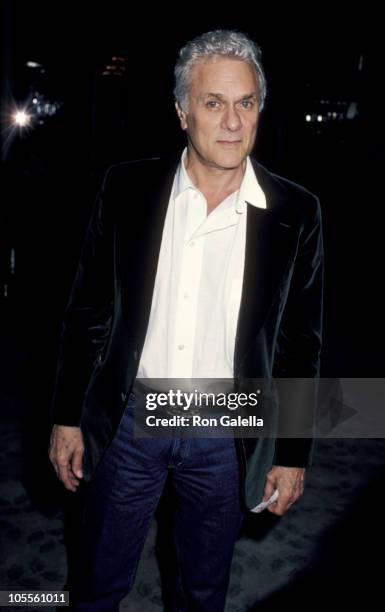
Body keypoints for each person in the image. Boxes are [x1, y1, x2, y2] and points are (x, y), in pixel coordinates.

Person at [48, 29, 323, 612]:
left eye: (245, 102)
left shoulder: (296, 212)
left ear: (260, 110)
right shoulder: (126, 189)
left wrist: (292, 453)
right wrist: (68, 415)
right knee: (96, 587)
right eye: (213, 102)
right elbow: (88, 312)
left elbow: (301, 342)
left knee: (201, 594)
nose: (231, 121)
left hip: (225, 429)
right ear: (181, 111)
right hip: (129, 419)